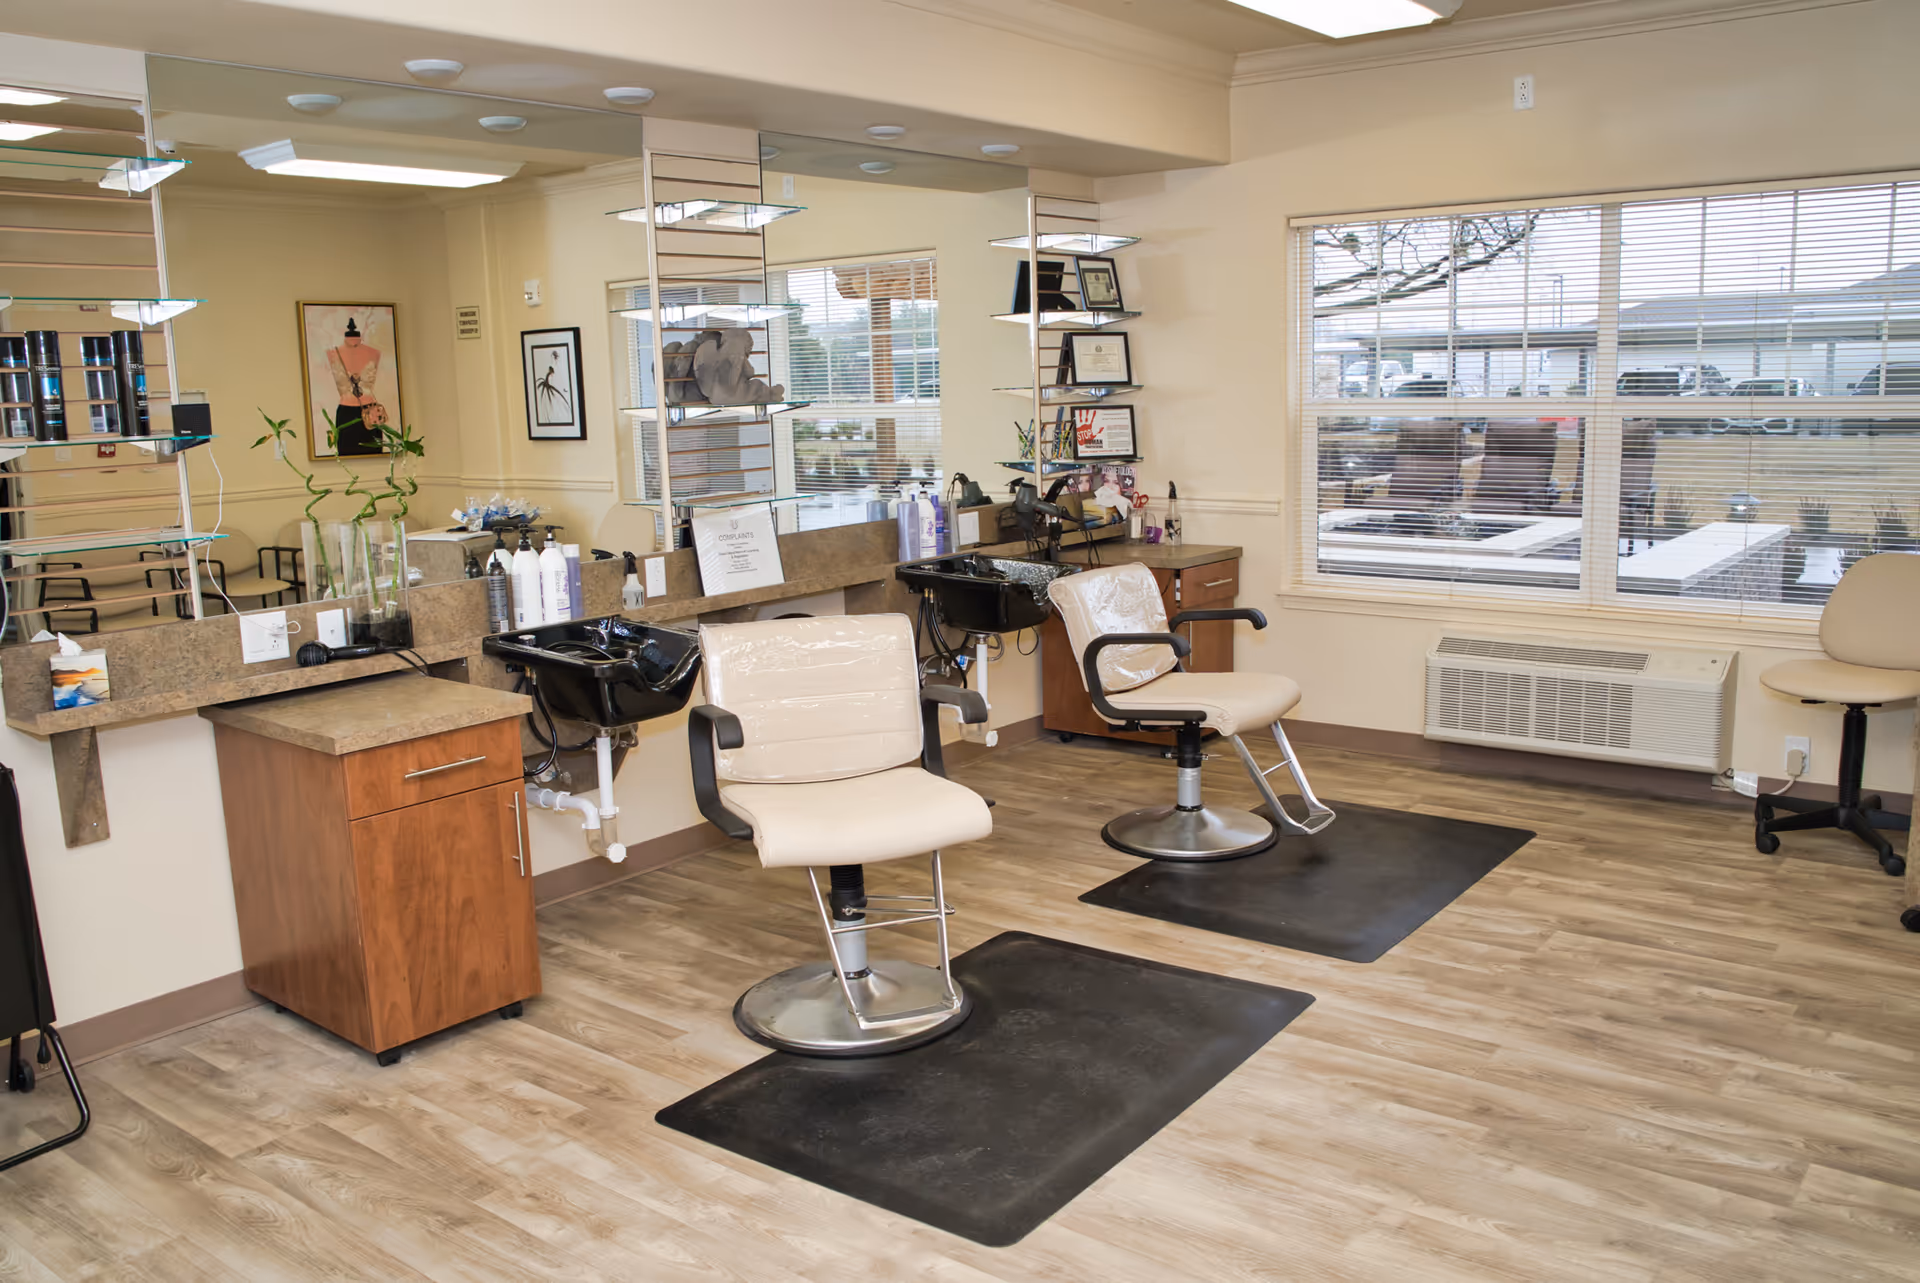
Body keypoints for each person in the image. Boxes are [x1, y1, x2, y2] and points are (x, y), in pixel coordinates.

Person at [325, 317, 388, 456]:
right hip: (346, 414)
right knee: (347, 460)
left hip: (371, 414)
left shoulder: (373, 353)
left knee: (375, 460)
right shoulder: (333, 354)